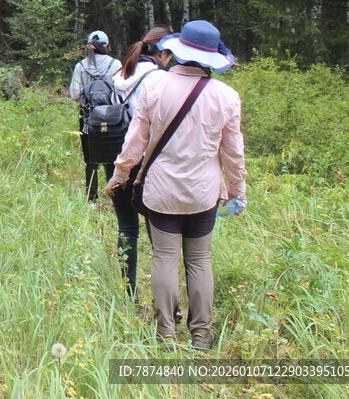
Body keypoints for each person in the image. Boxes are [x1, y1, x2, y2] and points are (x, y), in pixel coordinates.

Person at [105, 20, 247, 351]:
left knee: (165, 258)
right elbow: (233, 154)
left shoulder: (154, 88)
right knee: (199, 261)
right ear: (213, 58)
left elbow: (134, 142)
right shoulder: (227, 96)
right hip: (203, 193)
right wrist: (238, 193)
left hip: (161, 191)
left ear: (179, 51)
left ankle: (166, 334)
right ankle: (201, 335)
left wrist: (120, 175)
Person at [108, 26, 172, 298]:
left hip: (118, 155)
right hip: (147, 160)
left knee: (126, 226)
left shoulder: (121, 74)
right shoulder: (159, 79)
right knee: (158, 232)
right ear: (164, 53)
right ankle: (167, 299)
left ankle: (128, 293)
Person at [69, 30, 122, 204]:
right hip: (112, 119)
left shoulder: (81, 66)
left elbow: (75, 94)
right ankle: (114, 197)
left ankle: (92, 200)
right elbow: (122, 91)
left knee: (91, 160)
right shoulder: (115, 65)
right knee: (112, 157)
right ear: (107, 45)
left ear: (88, 47)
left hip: (88, 119)